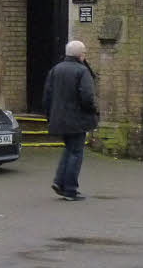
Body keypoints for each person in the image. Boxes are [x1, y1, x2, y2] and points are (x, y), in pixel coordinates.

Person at [40, 40, 99, 201]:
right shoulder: (82, 71)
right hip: (77, 120)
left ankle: (59, 182)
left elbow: (47, 96)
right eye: (84, 52)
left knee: (69, 150)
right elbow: (87, 97)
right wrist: (94, 111)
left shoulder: (55, 70)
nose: (85, 55)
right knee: (76, 153)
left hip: (59, 119)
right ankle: (70, 190)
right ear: (80, 54)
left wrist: (49, 116)